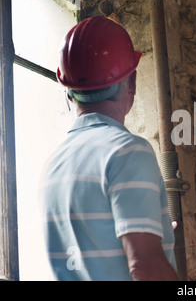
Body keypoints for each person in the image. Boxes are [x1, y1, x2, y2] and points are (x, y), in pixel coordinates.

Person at [39, 16, 178, 281]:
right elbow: (145, 268)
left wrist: (151, 230)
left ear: (67, 91)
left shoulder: (51, 165)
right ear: (132, 83)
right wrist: (152, 253)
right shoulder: (128, 151)